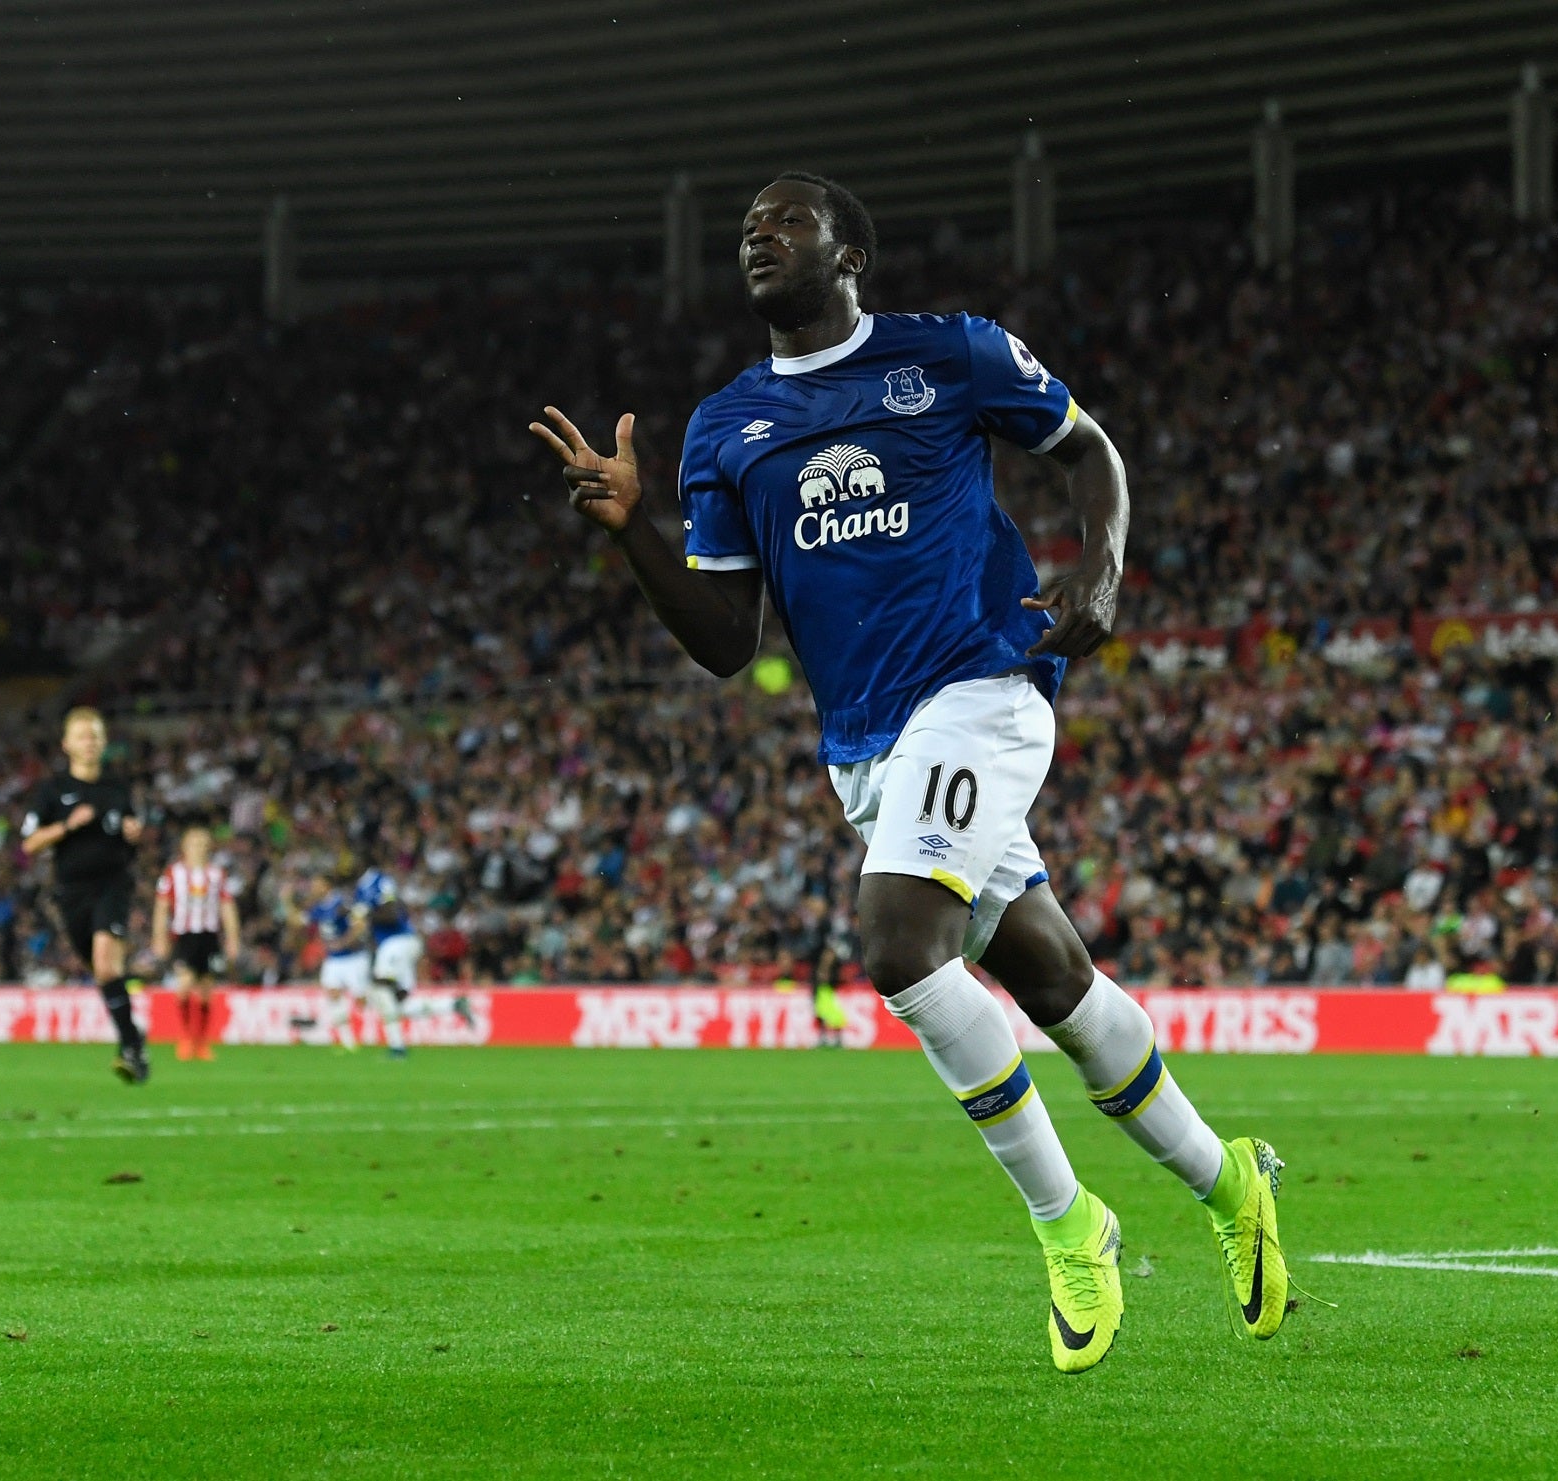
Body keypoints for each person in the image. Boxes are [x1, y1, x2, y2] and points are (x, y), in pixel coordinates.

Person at [531, 172, 1287, 1373]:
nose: (755, 237)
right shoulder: (727, 426)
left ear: (847, 255)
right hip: (867, 750)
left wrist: (1100, 568)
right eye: (745, 230)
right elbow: (728, 641)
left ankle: (1068, 1221)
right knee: (1055, 984)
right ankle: (1226, 1178)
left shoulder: (948, 355)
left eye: (784, 221)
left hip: (984, 686)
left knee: (895, 940)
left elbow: (1088, 449)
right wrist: (632, 529)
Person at [19, 707, 150, 1083]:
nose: (90, 742)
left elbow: (130, 831)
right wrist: (65, 825)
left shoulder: (118, 788)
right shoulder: (53, 791)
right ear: (67, 745)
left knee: (107, 966)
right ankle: (133, 1034)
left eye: (95, 735)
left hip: (112, 884)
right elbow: (29, 844)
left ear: (104, 742)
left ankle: (131, 1048)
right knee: (101, 973)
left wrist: (133, 832)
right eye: (82, 736)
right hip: (71, 892)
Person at [353, 867, 472, 1058]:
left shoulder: (376, 881)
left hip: (397, 942)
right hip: (397, 945)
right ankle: (452, 1005)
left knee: (379, 987)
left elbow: (392, 912)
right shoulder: (361, 888)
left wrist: (367, 915)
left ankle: (397, 1048)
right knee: (400, 1004)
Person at [151, 822, 240, 1061]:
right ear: (184, 846)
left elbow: (227, 905)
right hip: (183, 935)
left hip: (208, 936)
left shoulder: (217, 874)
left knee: (205, 992)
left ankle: (201, 1042)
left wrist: (233, 937)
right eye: (194, 843)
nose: (199, 848)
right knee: (184, 984)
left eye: (203, 843)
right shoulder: (172, 873)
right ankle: (185, 1037)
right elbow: (161, 906)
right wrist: (159, 936)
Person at [303, 875, 370, 1051]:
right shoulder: (318, 908)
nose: (313, 889)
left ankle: (377, 1029)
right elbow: (299, 920)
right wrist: (285, 901)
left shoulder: (342, 903)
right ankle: (347, 1041)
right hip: (334, 959)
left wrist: (344, 942)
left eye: (317, 885)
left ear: (327, 886)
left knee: (361, 1000)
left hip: (354, 957)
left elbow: (360, 924)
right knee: (332, 993)